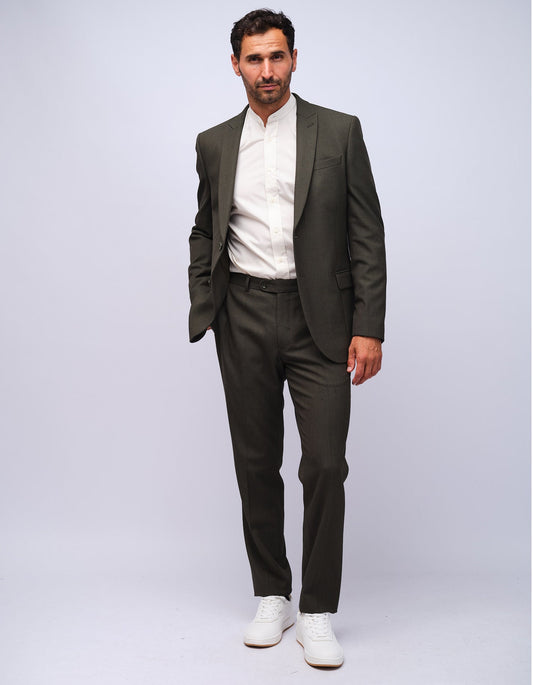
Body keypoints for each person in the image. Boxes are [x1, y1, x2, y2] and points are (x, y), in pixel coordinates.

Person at [188, 8, 386, 669]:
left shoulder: (338, 131)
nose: (266, 70)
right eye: (254, 59)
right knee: (255, 461)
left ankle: (318, 608)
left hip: (320, 317)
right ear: (236, 65)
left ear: (294, 59)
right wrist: (205, 300)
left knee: (325, 462)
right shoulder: (214, 143)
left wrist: (368, 326)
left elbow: (366, 233)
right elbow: (204, 228)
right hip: (242, 312)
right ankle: (271, 592)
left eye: (276, 56)